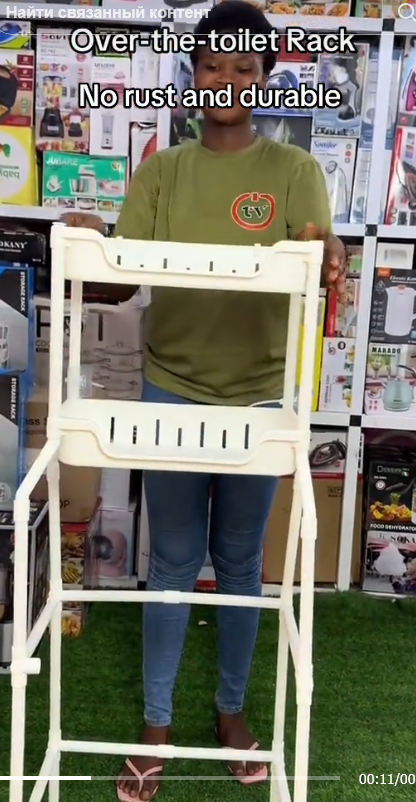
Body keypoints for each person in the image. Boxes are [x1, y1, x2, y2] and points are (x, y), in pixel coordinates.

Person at [63, 3, 346, 798]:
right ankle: (155, 725)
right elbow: (120, 282)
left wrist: (329, 255)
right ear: (194, 74)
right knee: (173, 564)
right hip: (172, 390)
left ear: (264, 78)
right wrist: (87, 243)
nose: (227, 80)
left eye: (243, 68)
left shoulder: (295, 171)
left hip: (258, 398)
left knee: (242, 566)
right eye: (213, 65)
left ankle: (229, 711)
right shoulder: (162, 169)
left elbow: (318, 253)